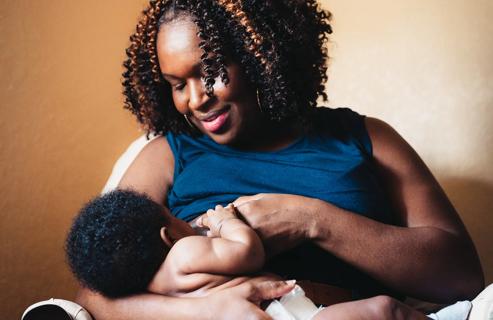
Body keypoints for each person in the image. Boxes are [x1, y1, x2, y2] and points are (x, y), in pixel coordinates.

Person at [76, 0, 485, 319]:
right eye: (177, 84)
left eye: (211, 70)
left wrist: (312, 221)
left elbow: (462, 277)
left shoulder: (366, 139)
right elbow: (94, 294)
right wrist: (207, 311)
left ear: (259, 55)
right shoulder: (167, 154)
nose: (196, 99)